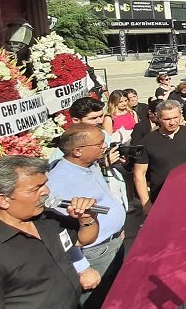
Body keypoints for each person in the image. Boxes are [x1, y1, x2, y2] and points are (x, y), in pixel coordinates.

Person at [0, 156, 99, 308]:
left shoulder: (47, 217)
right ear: (3, 200)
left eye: (45, 185)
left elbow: (83, 239)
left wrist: (86, 219)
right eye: (36, 188)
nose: (47, 192)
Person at [48, 124, 128, 308]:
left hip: (113, 242)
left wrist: (117, 229)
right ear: (77, 151)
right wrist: (82, 268)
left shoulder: (91, 165)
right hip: (94, 254)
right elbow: (61, 233)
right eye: (99, 144)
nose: (104, 147)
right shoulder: (58, 183)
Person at [133, 100, 186, 214]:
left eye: (176, 117)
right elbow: (139, 174)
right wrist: (146, 203)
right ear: (158, 118)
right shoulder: (147, 142)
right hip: (161, 196)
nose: (172, 122)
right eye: (167, 119)